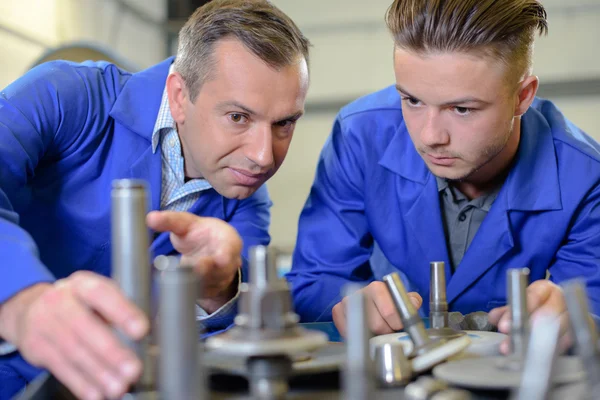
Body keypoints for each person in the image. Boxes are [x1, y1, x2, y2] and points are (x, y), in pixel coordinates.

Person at [0, 0, 310, 399]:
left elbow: (234, 348)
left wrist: (218, 288)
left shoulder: (246, 199)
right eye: (238, 117)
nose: (263, 155)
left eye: (284, 123)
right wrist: (22, 302)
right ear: (180, 95)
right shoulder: (66, 97)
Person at [288, 0, 600, 348]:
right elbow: (314, 282)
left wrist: (575, 322)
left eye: (462, 109)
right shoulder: (361, 137)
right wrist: (349, 304)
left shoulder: (586, 179)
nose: (429, 136)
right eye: (413, 101)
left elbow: (592, 308)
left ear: (522, 97)